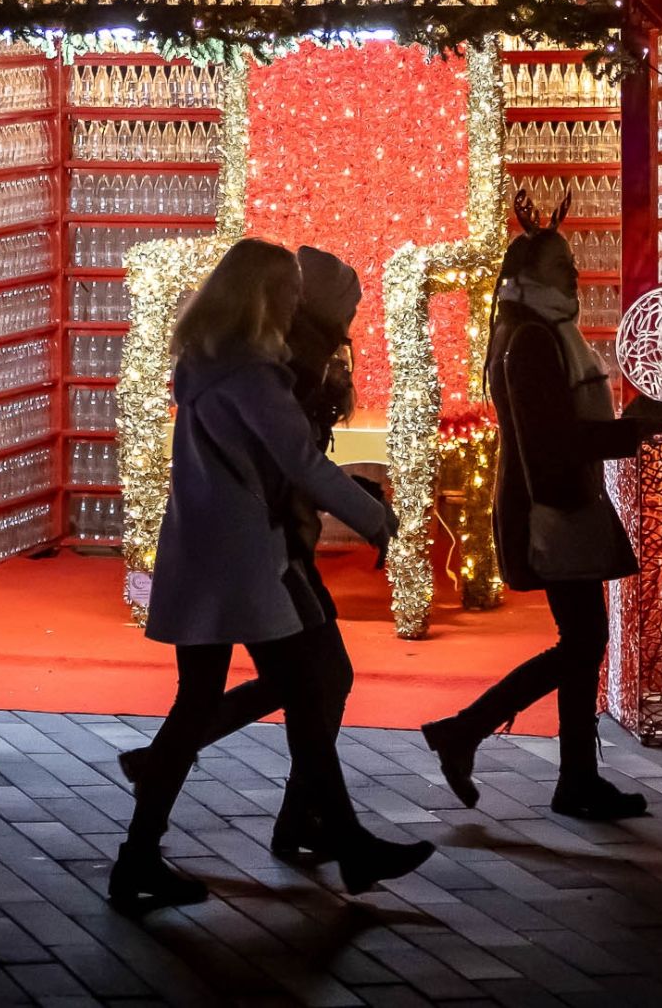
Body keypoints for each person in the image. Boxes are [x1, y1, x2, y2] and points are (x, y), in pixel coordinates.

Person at [111, 238, 432, 912]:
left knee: (202, 702)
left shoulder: (207, 366)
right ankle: (345, 843)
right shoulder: (255, 379)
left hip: (202, 553)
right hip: (244, 563)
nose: (293, 304)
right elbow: (303, 467)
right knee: (304, 695)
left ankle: (140, 855)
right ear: (261, 297)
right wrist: (375, 516)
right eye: (284, 293)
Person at [420, 194, 662, 821]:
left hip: (558, 500)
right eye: (563, 265)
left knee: (582, 640)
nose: (575, 274)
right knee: (582, 641)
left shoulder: (531, 329)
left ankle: (564, 771)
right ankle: (480, 735)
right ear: (537, 274)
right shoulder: (536, 338)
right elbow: (552, 438)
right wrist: (632, 431)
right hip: (553, 505)